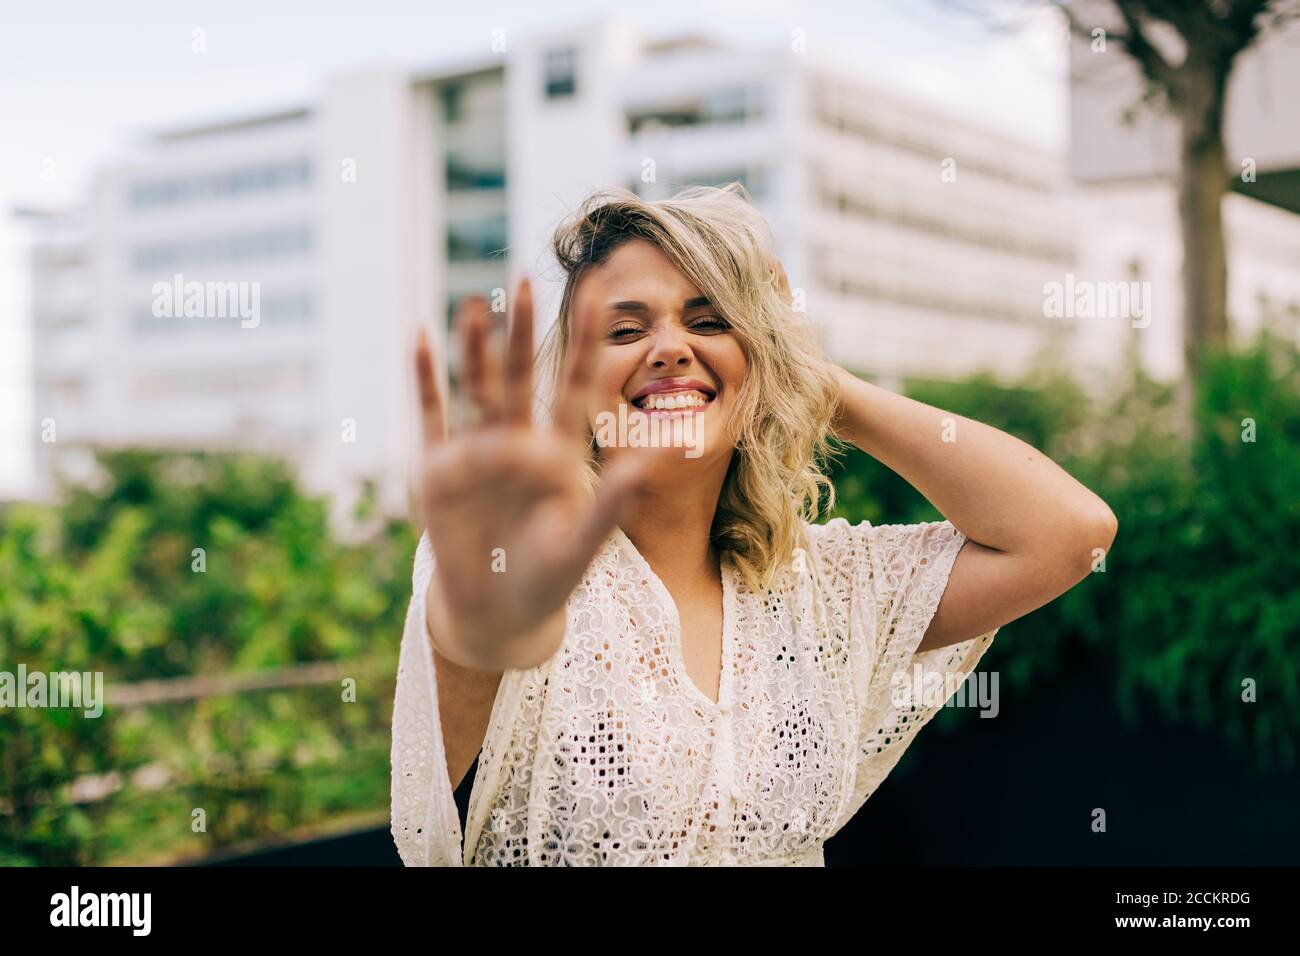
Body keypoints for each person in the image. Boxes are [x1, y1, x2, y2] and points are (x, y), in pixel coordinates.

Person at [390, 182, 1117, 866]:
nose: (671, 347)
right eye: (624, 329)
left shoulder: (822, 591)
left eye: (709, 322)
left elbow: (1069, 533)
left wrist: (812, 376)